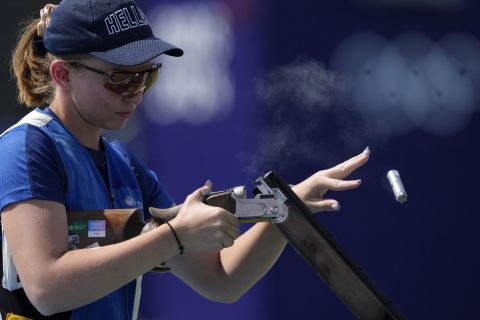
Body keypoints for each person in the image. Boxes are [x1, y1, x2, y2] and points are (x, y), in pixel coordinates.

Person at [0, 0, 370, 319]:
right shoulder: (28, 148)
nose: (136, 94)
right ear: (63, 73)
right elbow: (47, 289)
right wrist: (174, 236)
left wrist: (284, 210)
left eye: (147, 77)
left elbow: (221, 279)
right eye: (120, 79)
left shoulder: (125, 165)